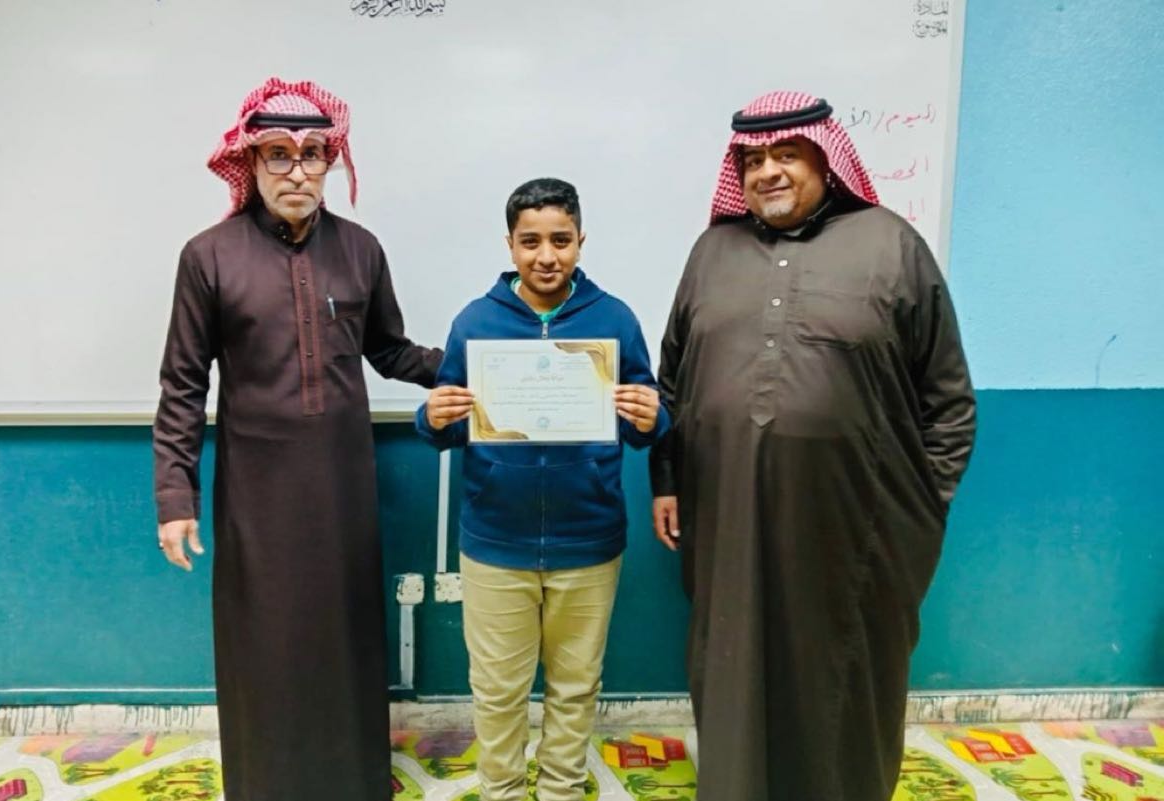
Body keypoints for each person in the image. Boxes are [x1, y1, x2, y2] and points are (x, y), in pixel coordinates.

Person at [649, 91, 977, 801]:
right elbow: (672, 383)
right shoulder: (711, 253)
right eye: (752, 160)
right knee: (732, 667)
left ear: (825, 158)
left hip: (857, 532)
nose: (767, 171)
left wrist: (918, 509)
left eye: (786, 154)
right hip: (728, 523)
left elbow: (948, 401)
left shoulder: (892, 246)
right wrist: (666, 480)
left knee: (843, 676)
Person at [152, 77, 442, 801]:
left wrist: (474, 367)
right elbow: (183, 384)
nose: (296, 172)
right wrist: (175, 497)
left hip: (344, 489)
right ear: (250, 162)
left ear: (330, 161)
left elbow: (390, 349)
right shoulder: (208, 256)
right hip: (257, 496)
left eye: (312, 154)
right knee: (266, 644)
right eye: (278, 154)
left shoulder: (361, 250)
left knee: (344, 639)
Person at [416, 178, 670, 801]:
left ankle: (561, 788)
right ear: (510, 245)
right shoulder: (475, 321)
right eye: (530, 242)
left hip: (589, 539)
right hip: (494, 541)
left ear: (581, 241)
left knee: (576, 685)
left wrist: (651, 415)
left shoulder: (615, 319)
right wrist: (433, 416)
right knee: (497, 690)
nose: (547, 256)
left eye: (561, 240)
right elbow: (449, 424)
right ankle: (501, 790)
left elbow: (645, 420)